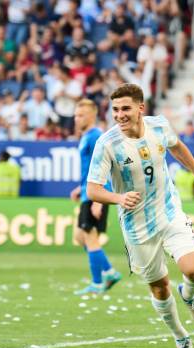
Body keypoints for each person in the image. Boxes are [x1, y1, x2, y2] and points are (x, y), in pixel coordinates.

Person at [86, 83, 194, 348]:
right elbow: (93, 190)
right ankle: (181, 337)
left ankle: (189, 295)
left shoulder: (159, 126)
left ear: (140, 108)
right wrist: (119, 199)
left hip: (169, 212)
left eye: (125, 108)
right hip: (137, 226)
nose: (119, 115)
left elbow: (178, 147)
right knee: (159, 288)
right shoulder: (107, 144)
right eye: (115, 110)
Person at [70, 99, 122, 295]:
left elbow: (105, 168)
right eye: (76, 115)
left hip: (94, 195)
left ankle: (99, 281)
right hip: (86, 192)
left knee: (89, 236)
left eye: (81, 115)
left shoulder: (96, 137)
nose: (77, 119)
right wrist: (79, 187)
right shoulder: (86, 137)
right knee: (80, 236)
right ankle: (107, 273)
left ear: (92, 115)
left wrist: (99, 199)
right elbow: (90, 169)